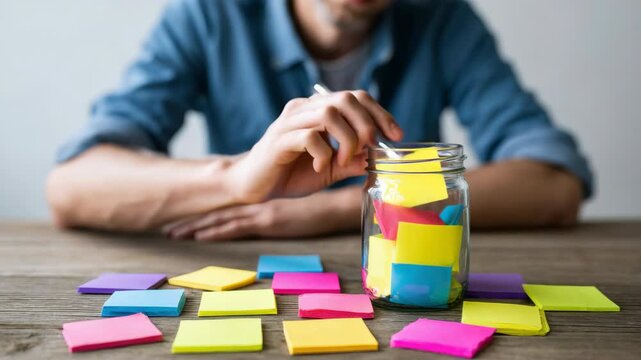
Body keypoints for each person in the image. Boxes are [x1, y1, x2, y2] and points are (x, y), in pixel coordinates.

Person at [46, 0, 593, 241]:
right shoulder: (209, 14)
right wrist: (237, 182)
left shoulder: (443, 18)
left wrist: (336, 209)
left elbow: (553, 182)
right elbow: (73, 187)